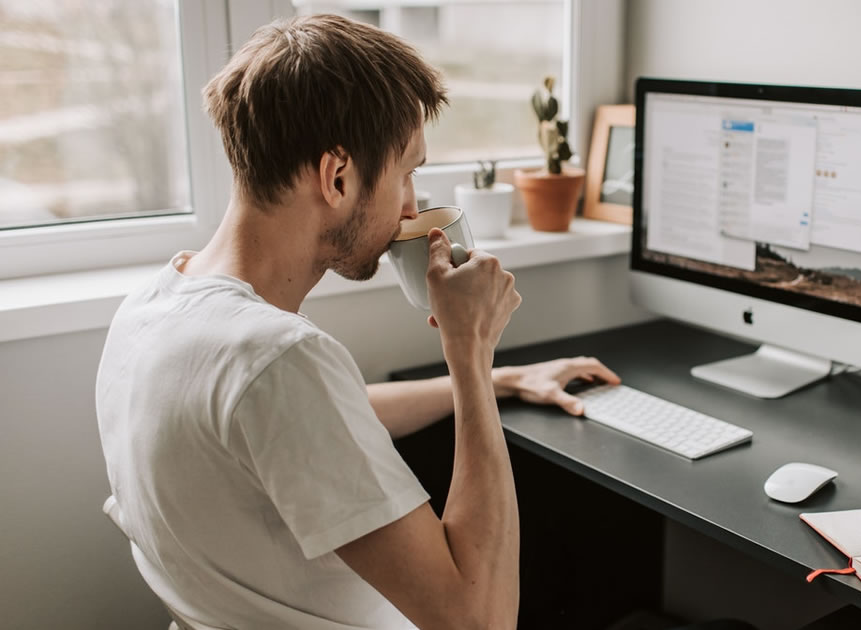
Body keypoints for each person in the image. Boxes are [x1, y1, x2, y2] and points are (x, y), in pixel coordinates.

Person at [96, 14, 619, 630]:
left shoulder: (152, 311)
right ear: (337, 177)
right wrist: (471, 356)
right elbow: (479, 620)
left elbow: (310, 423)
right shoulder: (280, 358)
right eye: (406, 173)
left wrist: (502, 381)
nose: (412, 206)